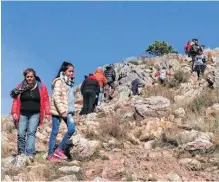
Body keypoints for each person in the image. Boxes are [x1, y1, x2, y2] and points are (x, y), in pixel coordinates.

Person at [10, 68, 50, 157]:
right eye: (27, 77)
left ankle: (30, 153)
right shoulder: (20, 87)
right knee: (21, 133)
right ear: (25, 77)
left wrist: (47, 113)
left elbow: (46, 100)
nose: (29, 78)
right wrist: (14, 113)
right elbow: (15, 101)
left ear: (34, 77)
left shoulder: (41, 86)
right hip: (22, 114)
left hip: (35, 114)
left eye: (31, 77)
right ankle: (21, 153)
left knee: (31, 132)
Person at [48, 61, 76, 161]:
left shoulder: (69, 82)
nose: (72, 73)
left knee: (72, 129)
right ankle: (50, 154)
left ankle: (59, 149)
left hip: (67, 111)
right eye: (70, 71)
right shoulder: (59, 81)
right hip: (58, 110)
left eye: (73, 71)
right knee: (55, 131)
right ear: (64, 71)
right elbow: (56, 97)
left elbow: (69, 98)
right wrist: (62, 111)